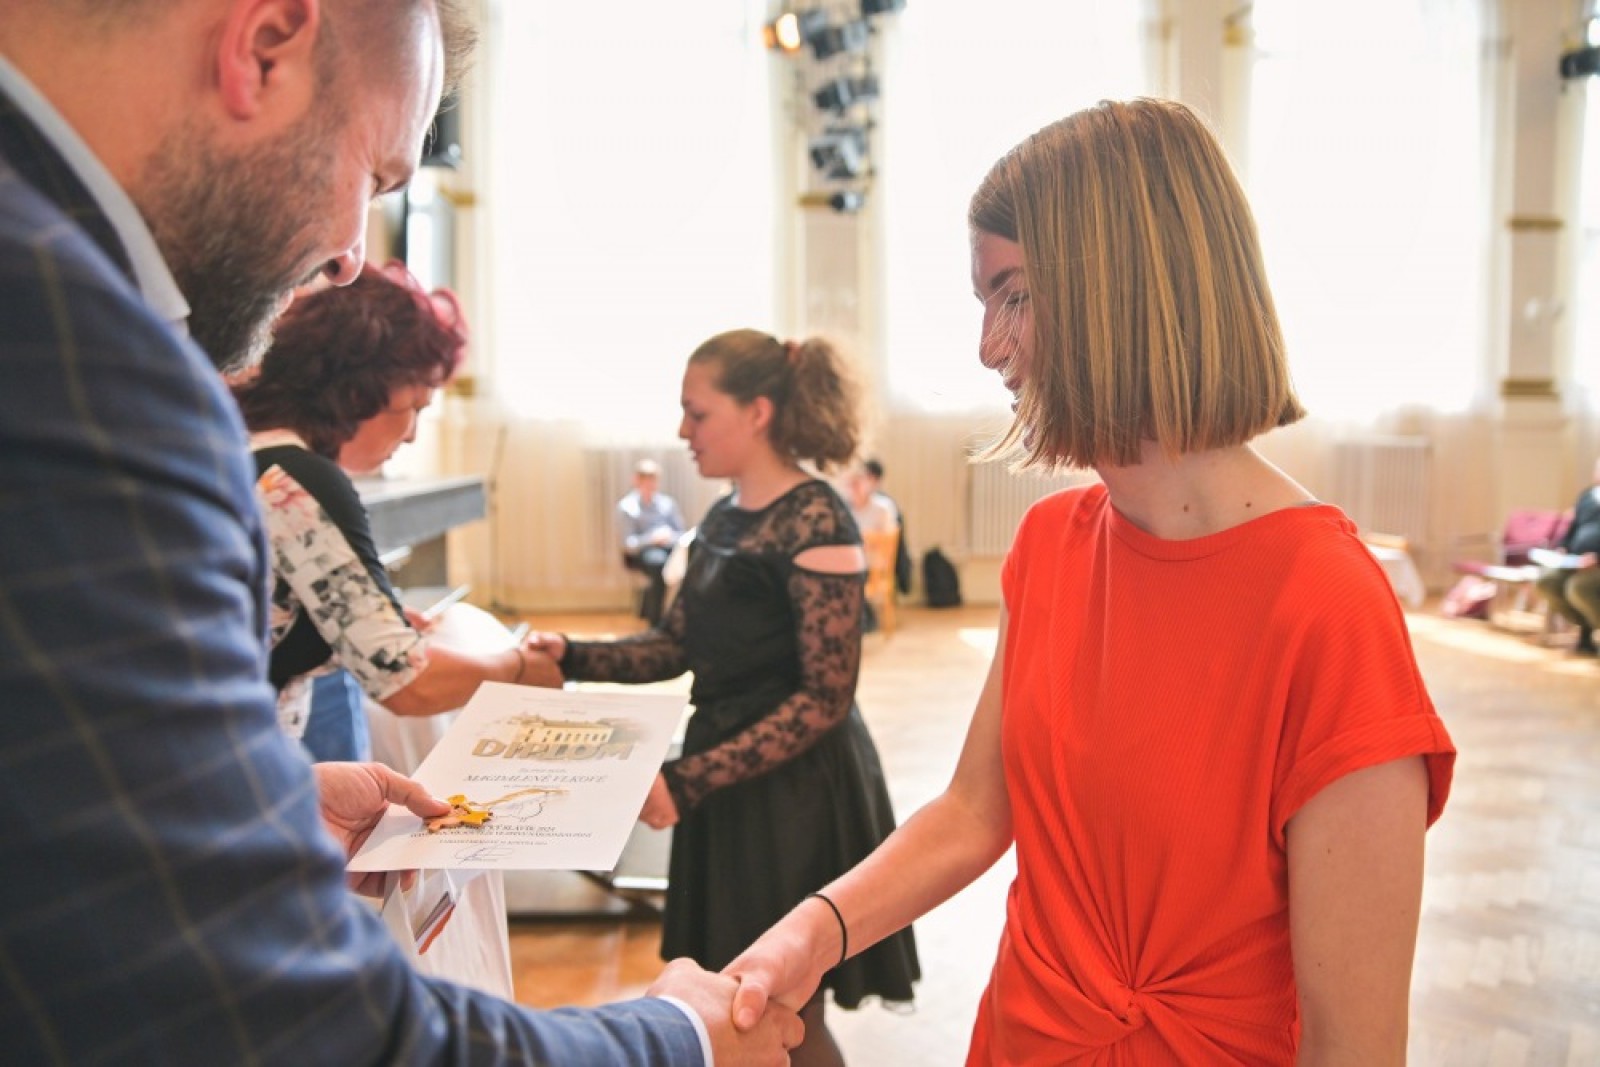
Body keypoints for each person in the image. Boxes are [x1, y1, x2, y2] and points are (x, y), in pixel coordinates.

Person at [0, 3, 799, 1063]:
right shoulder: (85, 364)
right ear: (264, 46)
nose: (348, 256)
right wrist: (676, 1037)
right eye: (375, 176)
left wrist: (273, 797)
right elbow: (287, 1020)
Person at [724, 99, 1457, 1065]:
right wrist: (812, 932)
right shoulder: (1051, 545)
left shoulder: (1329, 607)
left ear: (1123, 287)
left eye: (1015, 295)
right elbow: (975, 811)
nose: (990, 347)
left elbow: (1352, 1044)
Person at [528, 329, 921, 1067]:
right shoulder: (723, 514)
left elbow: (824, 698)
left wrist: (686, 779)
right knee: (742, 1006)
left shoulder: (818, 517)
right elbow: (676, 644)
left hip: (794, 792)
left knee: (782, 1012)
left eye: (697, 412)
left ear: (758, 412)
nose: (683, 430)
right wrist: (569, 654)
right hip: (731, 779)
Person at [233, 261, 562, 744]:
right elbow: (408, 684)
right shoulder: (299, 480)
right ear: (357, 392)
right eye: (413, 408)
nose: (411, 435)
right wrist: (518, 667)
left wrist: (374, 617)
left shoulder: (252, 453)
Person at [1534, 455, 1600, 653]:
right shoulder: (1587, 497)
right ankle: (1584, 629)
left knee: (1578, 588)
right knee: (1546, 581)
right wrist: (1563, 548)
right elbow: (1572, 530)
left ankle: (1589, 631)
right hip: (1574, 561)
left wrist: (1596, 559)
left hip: (1595, 565)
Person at [618, 457, 687, 625]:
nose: (650, 483)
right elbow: (628, 544)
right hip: (644, 552)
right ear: (636, 480)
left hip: (670, 546)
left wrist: (668, 537)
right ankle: (656, 621)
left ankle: (682, 618)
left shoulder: (667, 504)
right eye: (645, 479)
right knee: (658, 564)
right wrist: (651, 539)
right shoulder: (628, 507)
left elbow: (681, 533)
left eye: (653, 479)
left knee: (688, 562)